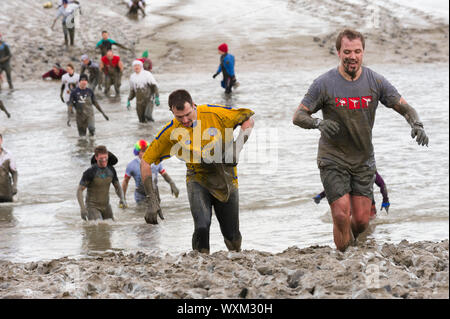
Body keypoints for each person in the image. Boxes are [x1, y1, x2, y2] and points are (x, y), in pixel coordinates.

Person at [292, 29, 429, 252]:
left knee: (362, 221)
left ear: (363, 52)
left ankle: (352, 245)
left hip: (363, 161)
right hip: (332, 158)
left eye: (357, 51)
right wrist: (318, 123)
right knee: (340, 214)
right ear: (338, 52)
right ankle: (344, 256)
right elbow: (298, 116)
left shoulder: (375, 81)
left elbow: (405, 107)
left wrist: (417, 124)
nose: (352, 56)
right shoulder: (324, 83)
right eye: (347, 51)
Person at [140, 89, 255, 254]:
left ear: (194, 105)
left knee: (232, 235)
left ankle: (236, 253)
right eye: (179, 117)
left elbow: (248, 120)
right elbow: (145, 162)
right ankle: (200, 261)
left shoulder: (214, 113)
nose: (185, 120)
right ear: (172, 112)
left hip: (227, 178)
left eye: (188, 114)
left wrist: (237, 148)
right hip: (197, 180)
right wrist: (151, 200)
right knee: (201, 226)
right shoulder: (170, 131)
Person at [122, 139, 179, 206]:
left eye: (147, 150)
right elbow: (125, 181)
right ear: (137, 152)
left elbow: (164, 174)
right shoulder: (132, 165)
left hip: (155, 194)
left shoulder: (156, 162)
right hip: (141, 196)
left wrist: (172, 184)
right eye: (143, 151)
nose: (145, 153)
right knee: (141, 213)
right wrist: (123, 198)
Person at [77, 145, 126, 221]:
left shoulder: (111, 170)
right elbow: (79, 190)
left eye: (105, 158)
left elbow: (117, 187)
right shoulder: (90, 172)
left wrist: (122, 198)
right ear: (96, 158)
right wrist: (82, 209)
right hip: (92, 206)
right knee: (99, 227)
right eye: (101, 159)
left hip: (106, 206)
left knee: (110, 227)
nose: (104, 161)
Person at [313, 171, 390, 219]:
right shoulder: (369, 169)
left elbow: (335, 186)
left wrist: (321, 195)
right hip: (368, 202)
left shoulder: (347, 171)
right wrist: (385, 200)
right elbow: (382, 184)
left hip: (354, 204)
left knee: (351, 223)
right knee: (370, 223)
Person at [0, 134, 18, 202]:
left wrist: (14, 186)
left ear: (1, 140)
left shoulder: (8, 154)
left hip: (6, 193)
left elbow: (14, 172)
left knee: (8, 210)